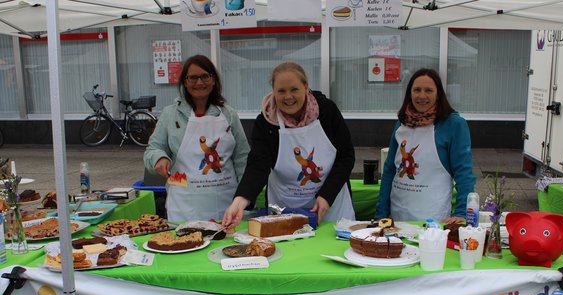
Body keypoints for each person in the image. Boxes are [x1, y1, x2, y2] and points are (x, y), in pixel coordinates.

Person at [222, 62, 355, 228]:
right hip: (284, 209)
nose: (288, 97)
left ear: (306, 87)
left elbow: (346, 156)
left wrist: (326, 196)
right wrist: (240, 201)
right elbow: (258, 165)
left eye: (294, 89)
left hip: (331, 206)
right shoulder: (265, 123)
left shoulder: (327, 111)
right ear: (273, 91)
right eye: (281, 91)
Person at [143, 55, 249, 222]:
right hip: (183, 207)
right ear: (185, 82)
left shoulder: (228, 114)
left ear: (213, 80)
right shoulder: (170, 114)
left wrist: (246, 199)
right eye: (193, 77)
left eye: (205, 76)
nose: (199, 82)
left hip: (226, 206)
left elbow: (242, 157)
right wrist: (159, 158)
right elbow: (152, 149)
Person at [375, 68, 476, 224]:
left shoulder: (454, 124)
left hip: (433, 219)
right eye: (417, 90)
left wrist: (462, 212)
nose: (422, 96)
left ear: (438, 94)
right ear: (410, 93)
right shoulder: (402, 123)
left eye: (428, 90)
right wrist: (381, 212)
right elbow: (389, 170)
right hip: (397, 215)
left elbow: (464, 174)